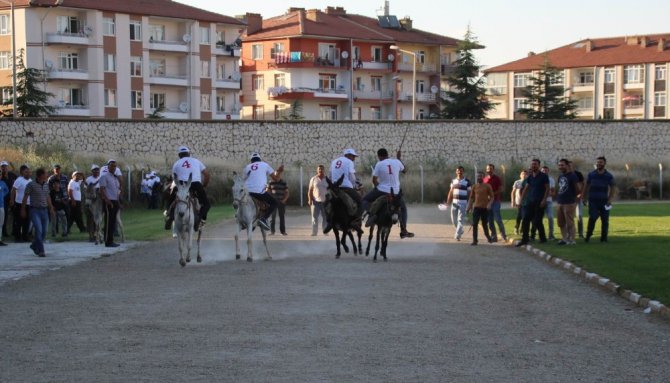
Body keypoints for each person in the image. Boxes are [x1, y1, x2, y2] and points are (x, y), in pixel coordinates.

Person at [362, 148, 414, 238]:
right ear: (387, 154)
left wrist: (378, 186)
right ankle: (403, 229)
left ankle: (372, 214)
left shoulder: (379, 164)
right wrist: (399, 158)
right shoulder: (397, 162)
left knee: (364, 200)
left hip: (381, 190)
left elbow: (374, 180)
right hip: (396, 192)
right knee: (403, 208)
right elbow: (405, 171)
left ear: (379, 156)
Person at [165, 146, 211, 230]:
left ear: (179, 155)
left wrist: (172, 189)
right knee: (206, 204)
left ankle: (170, 217)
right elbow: (207, 174)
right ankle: (199, 219)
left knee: (170, 201)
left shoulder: (177, 163)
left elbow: (174, 179)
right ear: (189, 154)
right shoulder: (196, 161)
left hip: (181, 184)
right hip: (195, 184)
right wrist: (204, 186)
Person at [324, 148, 362, 233]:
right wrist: (355, 186)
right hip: (346, 187)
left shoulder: (334, 161)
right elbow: (352, 176)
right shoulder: (349, 162)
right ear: (348, 155)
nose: (354, 158)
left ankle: (329, 222)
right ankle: (355, 221)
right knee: (360, 202)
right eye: (353, 156)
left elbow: (330, 176)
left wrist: (332, 186)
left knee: (326, 202)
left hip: (334, 188)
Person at [243, 152, 283, 231]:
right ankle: (263, 218)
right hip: (259, 192)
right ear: (260, 159)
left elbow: (243, 180)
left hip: (247, 192)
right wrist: (279, 172)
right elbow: (276, 179)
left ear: (251, 161)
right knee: (274, 203)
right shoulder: (265, 165)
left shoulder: (247, 167)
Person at [516, 159, 549, 247]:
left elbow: (547, 189)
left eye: (535, 164)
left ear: (539, 165)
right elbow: (526, 189)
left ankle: (543, 238)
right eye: (532, 164)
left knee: (537, 221)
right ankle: (524, 239)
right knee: (526, 220)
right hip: (530, 202)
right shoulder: (530, 177)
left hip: (540, 202)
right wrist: (520, 201)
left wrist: (544, 200)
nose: (533, 166)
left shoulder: (543, 176)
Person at [21, 168, 54, 257]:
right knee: (38, 230)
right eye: (45, 174)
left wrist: (51, 208)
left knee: (44, 231)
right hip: (34, 210)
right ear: (41, 175)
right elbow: (25, 197)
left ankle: (34, 245)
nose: (47, 175)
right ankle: (41, 250)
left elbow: (48, 197)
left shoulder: (46, 185)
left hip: (44, 210)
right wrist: (23, 209)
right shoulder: (31, 185)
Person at [584, 156, 616, 243]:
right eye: (597, 162)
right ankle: (588, 235)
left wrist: (610, 200)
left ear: (604, 164)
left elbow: (613, 188)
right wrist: (584, 198)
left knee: (605, 220)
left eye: (600, 162)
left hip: (604, 201)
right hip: (593, 201)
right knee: (593, 218)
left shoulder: (608, 176)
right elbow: (586, 187)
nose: (598, 164)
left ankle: (604, 238)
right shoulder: (591, 174)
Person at [555, 158, 580, 245]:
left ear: (567, 165)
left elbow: (578, 189)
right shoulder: (561, 176)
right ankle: (564, 238)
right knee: (561, 223)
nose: (560, 167)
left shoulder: (572, 176)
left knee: (569, 222)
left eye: (562, 165)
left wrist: (573, 197)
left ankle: (572, 240)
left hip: (569, 202)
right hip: (560, 202)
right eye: (559, 165)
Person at [467, 171, 494, 245]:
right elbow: (471, 198)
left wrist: (489, 204)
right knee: (475, 224)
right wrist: (469, 207)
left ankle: (488, 237)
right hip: (476, 208)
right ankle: (475, 240)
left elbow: (492, 197)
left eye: (480, 176)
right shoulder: (474, 186)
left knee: (484, 224)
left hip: (485, 208)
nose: (479, 177)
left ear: (483, 177)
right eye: (478, 176)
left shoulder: (487, 186)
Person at [99, 160, 121, 248]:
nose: (113, 168)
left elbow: (116, 189)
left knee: (112, 222)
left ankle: (111, 240)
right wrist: (107, 200)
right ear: (108, 167)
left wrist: (119, 201)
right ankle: (108, 241)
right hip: (109, 201)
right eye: (112, 166)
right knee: (108, 222)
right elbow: (102, 189)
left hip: (115, 200)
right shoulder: (104, 176)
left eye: (115, 166)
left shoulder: (114, 177)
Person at [446, 166, 471, 241]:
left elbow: (470, 193)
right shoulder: (453, 181)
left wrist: (470, 204)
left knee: (460, 219)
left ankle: (457, 235)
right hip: (454, 203)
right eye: (458, 171)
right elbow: (450, 192)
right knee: (454, 220)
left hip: (463, 203)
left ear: (463, 172)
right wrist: (448, 202)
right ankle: (460, 230)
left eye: (461, 171)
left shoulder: (467, 181)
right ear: (456, 172)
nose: (459, 172)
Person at [483, 164, 507, 242]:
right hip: (487, 202)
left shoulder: (497, 178)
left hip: (496, 201)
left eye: (490, 169)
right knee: (490, 221)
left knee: (498, 219)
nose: (489, 170)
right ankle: (494, 236)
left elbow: (501, 189)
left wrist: (492, 194)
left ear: (493, 169)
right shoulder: (485, 179)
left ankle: (503, 235)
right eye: (487, 169)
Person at [11, 165, 32, 242]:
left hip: (28, 204)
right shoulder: (19, 180)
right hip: (19, 204)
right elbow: (13, 190)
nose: (28, 173)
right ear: (23, 172)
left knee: (27, 221)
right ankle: (17, 237)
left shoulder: (30, 181)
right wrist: (12, 200)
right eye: (26, 172)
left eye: (29, 172)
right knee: (18, 221)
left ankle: (25, 237)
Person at [48, 164, 70, 232]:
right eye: (56, 169)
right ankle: (55, 230)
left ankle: (66, 230)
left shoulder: (65, 177)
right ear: (53, 170)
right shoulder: (51, 179)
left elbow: (67, 187)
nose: (57, 170)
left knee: (67, 214)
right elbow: (49, 189)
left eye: (58, 169)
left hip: (64, 198)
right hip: (55, 199)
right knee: (55, 217)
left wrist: (68, 196)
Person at [308, 165, 328, 236]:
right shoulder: (313, 179)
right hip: (315, 202)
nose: (320, 170)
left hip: (325, 202)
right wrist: (310, 200)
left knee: (325, 218)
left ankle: (325, 231)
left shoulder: (327, 179)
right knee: (314, 217)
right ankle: (314, 232)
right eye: (319, 169)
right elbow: (310, 190)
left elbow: (330, 191)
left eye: (322, 169)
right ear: (317, 170)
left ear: (324, 170)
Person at [1, 160, 17, 238]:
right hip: (3, 199)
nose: (4, 168)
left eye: (5, 166)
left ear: (7, 167)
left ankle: (14, 231)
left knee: (15, 215)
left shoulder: (12, 175)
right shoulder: (0, 176)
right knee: (5, 215)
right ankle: (4, 232)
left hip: (13, 198)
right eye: (2, 167)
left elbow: (17, 183)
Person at [85, 164, 101, 242]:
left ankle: (96, 234)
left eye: (97, 170)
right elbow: (86, 191)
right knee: (90, 218)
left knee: (97, 219)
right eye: (95, 170)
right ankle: (90, 235)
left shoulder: (101, 178)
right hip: (91, 200)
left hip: (98, 201)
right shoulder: (88, 179)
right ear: (92, 171)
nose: (96, 171)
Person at [67, 171, 86, 235]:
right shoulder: (72, 182)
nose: (78, 176)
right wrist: (73, 200)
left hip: (78, 201)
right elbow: (69, 191)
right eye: (76, 175)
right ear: (73, 176)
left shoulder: (78, 182)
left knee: (74, 216)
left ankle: (68, 229)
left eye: (79, 175)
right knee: (76, 216)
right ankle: (82, 228)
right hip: (74, 201)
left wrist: (81, 173)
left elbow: (83, 178)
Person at [541, 165, 556, 240]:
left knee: (550, 217)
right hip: (540, 201)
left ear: (548, 171)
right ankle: (541, 235)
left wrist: (547, 194)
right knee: (538, 219)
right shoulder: (538, 179)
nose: (544, 172)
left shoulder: (551, 180)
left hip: (549, 201)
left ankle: (551, 234)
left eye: (546, 170)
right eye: (543, 170)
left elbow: (553, 192)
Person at [510, 170, 527, 235]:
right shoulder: (517, 182)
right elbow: (513, 192)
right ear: (520, 175)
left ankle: (522, 229)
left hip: (526, 202)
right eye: (523, 174)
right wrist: (512, 201)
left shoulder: (528, 182)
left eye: (525, 174)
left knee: (524, 216)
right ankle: (516, 227)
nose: (524, 175)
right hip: (518, 201)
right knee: (520, 215)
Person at [572, 164, 586, 238]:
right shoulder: (564, 174)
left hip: (578, 197)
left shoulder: (578, 174)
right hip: (569, 198)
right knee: (569, 216)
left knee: (579, 215)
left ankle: (580, 233)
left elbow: (583, 184)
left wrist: (582, 195)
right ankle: (570, 233)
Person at [0, 173, 8, 245]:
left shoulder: (2, 183)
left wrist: (2, 195)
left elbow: (7, 191)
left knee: (1, 223)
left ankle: (0, 239)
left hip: (1, 205)